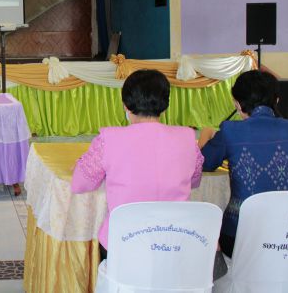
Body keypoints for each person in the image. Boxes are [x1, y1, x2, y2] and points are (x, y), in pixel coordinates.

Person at [71, 69, 204, 259]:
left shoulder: (109, 139)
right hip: (175, 242)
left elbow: (79, 184)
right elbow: (195, 181)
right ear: (165, 105)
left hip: (124, 242)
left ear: (125, 105)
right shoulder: (187, 137)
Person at [199, 70, 288, 258]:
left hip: (239, 237)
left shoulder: (230, 130)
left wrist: (205, 135)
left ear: (237, 104)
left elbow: (205, 162)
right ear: (277, 100)